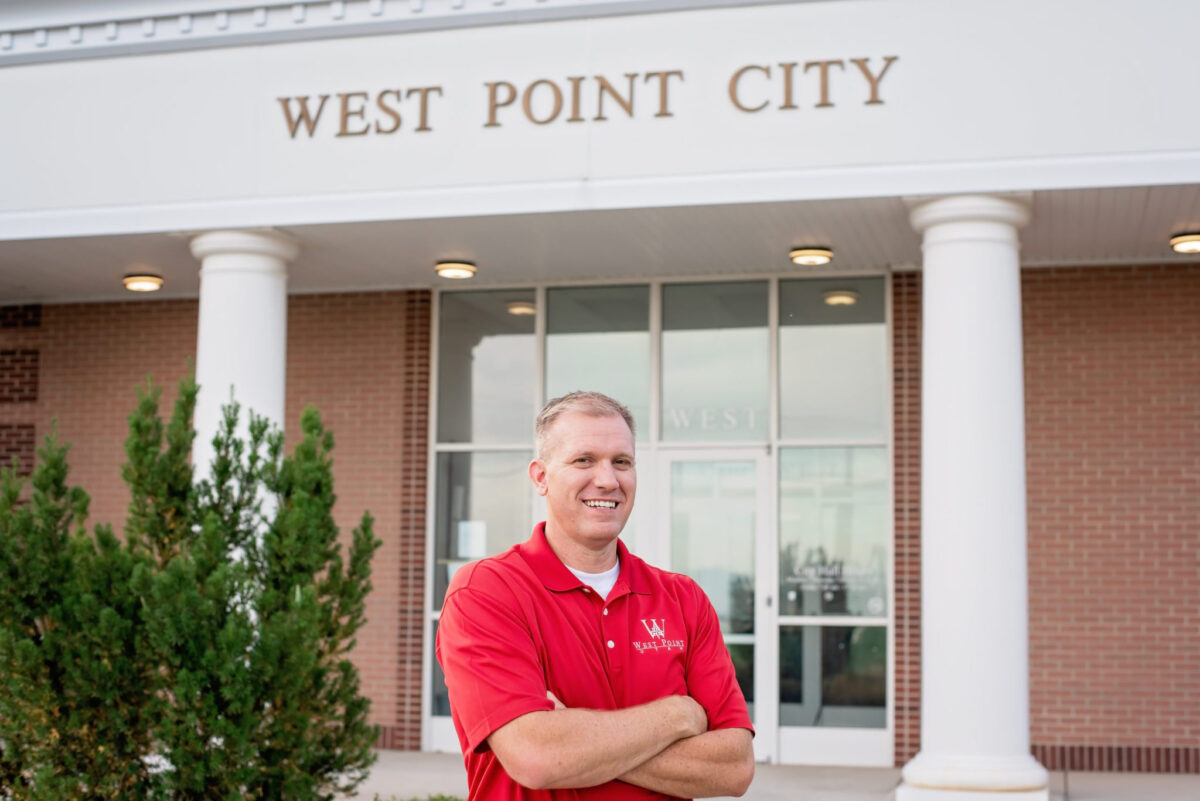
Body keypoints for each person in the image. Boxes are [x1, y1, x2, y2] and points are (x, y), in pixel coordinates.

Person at [436, 391, 755, 800]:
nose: (608, 480)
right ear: (540, 477)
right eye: (584, 460)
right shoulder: (486, 592)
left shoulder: (683, 598)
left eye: (621, 462)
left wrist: (573, 740)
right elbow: (537, 757)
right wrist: (677, 716)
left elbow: (734, 769)